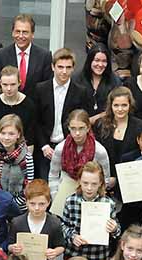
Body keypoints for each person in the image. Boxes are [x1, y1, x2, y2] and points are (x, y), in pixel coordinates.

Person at [34, 48, 94, 181]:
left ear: (73, 68)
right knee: (45, 188)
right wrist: (44, 146)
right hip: (45, 149)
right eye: (60, 67)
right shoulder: (40, 89)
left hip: (70, 148)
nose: (64, 71)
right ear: (52, 67)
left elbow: (83, 121)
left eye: (68, 67)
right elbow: (35, 121)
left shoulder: (81, 92)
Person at [61, 161, 121, 260]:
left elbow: (117, 232)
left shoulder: (108, 204)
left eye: (94, 184)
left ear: (100, 183)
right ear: (79, 182)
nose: (89, 188)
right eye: (85, 183)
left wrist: (114, 228)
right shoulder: (70, 201)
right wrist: (72, 236)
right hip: (74, 256)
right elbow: (63, 226)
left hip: (97, 258)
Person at [47, 109, 112, 194]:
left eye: (81, 128)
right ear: (69, 128)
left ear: (88, 128)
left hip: (91, 194)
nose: (77, 133)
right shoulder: (60, 149)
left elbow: (106, 179)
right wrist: (55, 196)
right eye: (73, 128)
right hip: (65, 192)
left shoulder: (99, 151)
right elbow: (53, 176)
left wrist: (94, 196)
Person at [94, 87, 142, 193]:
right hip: (103, 180)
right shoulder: (100, 124)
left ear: (130, 105)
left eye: (124, 105)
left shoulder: (139, 126)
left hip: (129, 181)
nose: (120, 109)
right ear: (110, 106)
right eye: (116, 105)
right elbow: (95, 154)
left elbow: (139, 157)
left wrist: (117, 178)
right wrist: (106, 178)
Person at [0, 14, 52, 100]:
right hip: (8, 107)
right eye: (17, 31)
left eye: (25, 32)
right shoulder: (1, 55)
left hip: (35, 108)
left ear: (32, 34)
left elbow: (47, 86)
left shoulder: (44, 56)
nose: (20, 36)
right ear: (12, 33)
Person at [0, 114, 34, 210]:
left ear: (18, 134)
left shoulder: (26, 157)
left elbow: (28, 187)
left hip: (18, 207)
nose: (6, 138)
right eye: (3, 133)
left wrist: (11, 205)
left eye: (11, 134)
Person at [72, 44, 121, 119]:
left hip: (107, 125)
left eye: (104, 61)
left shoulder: (115, 81)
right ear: (90, 61)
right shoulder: (76, 80)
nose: (100, 64)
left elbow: (117, 107)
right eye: (97, 60)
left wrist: (94, 119)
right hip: (81, 126)